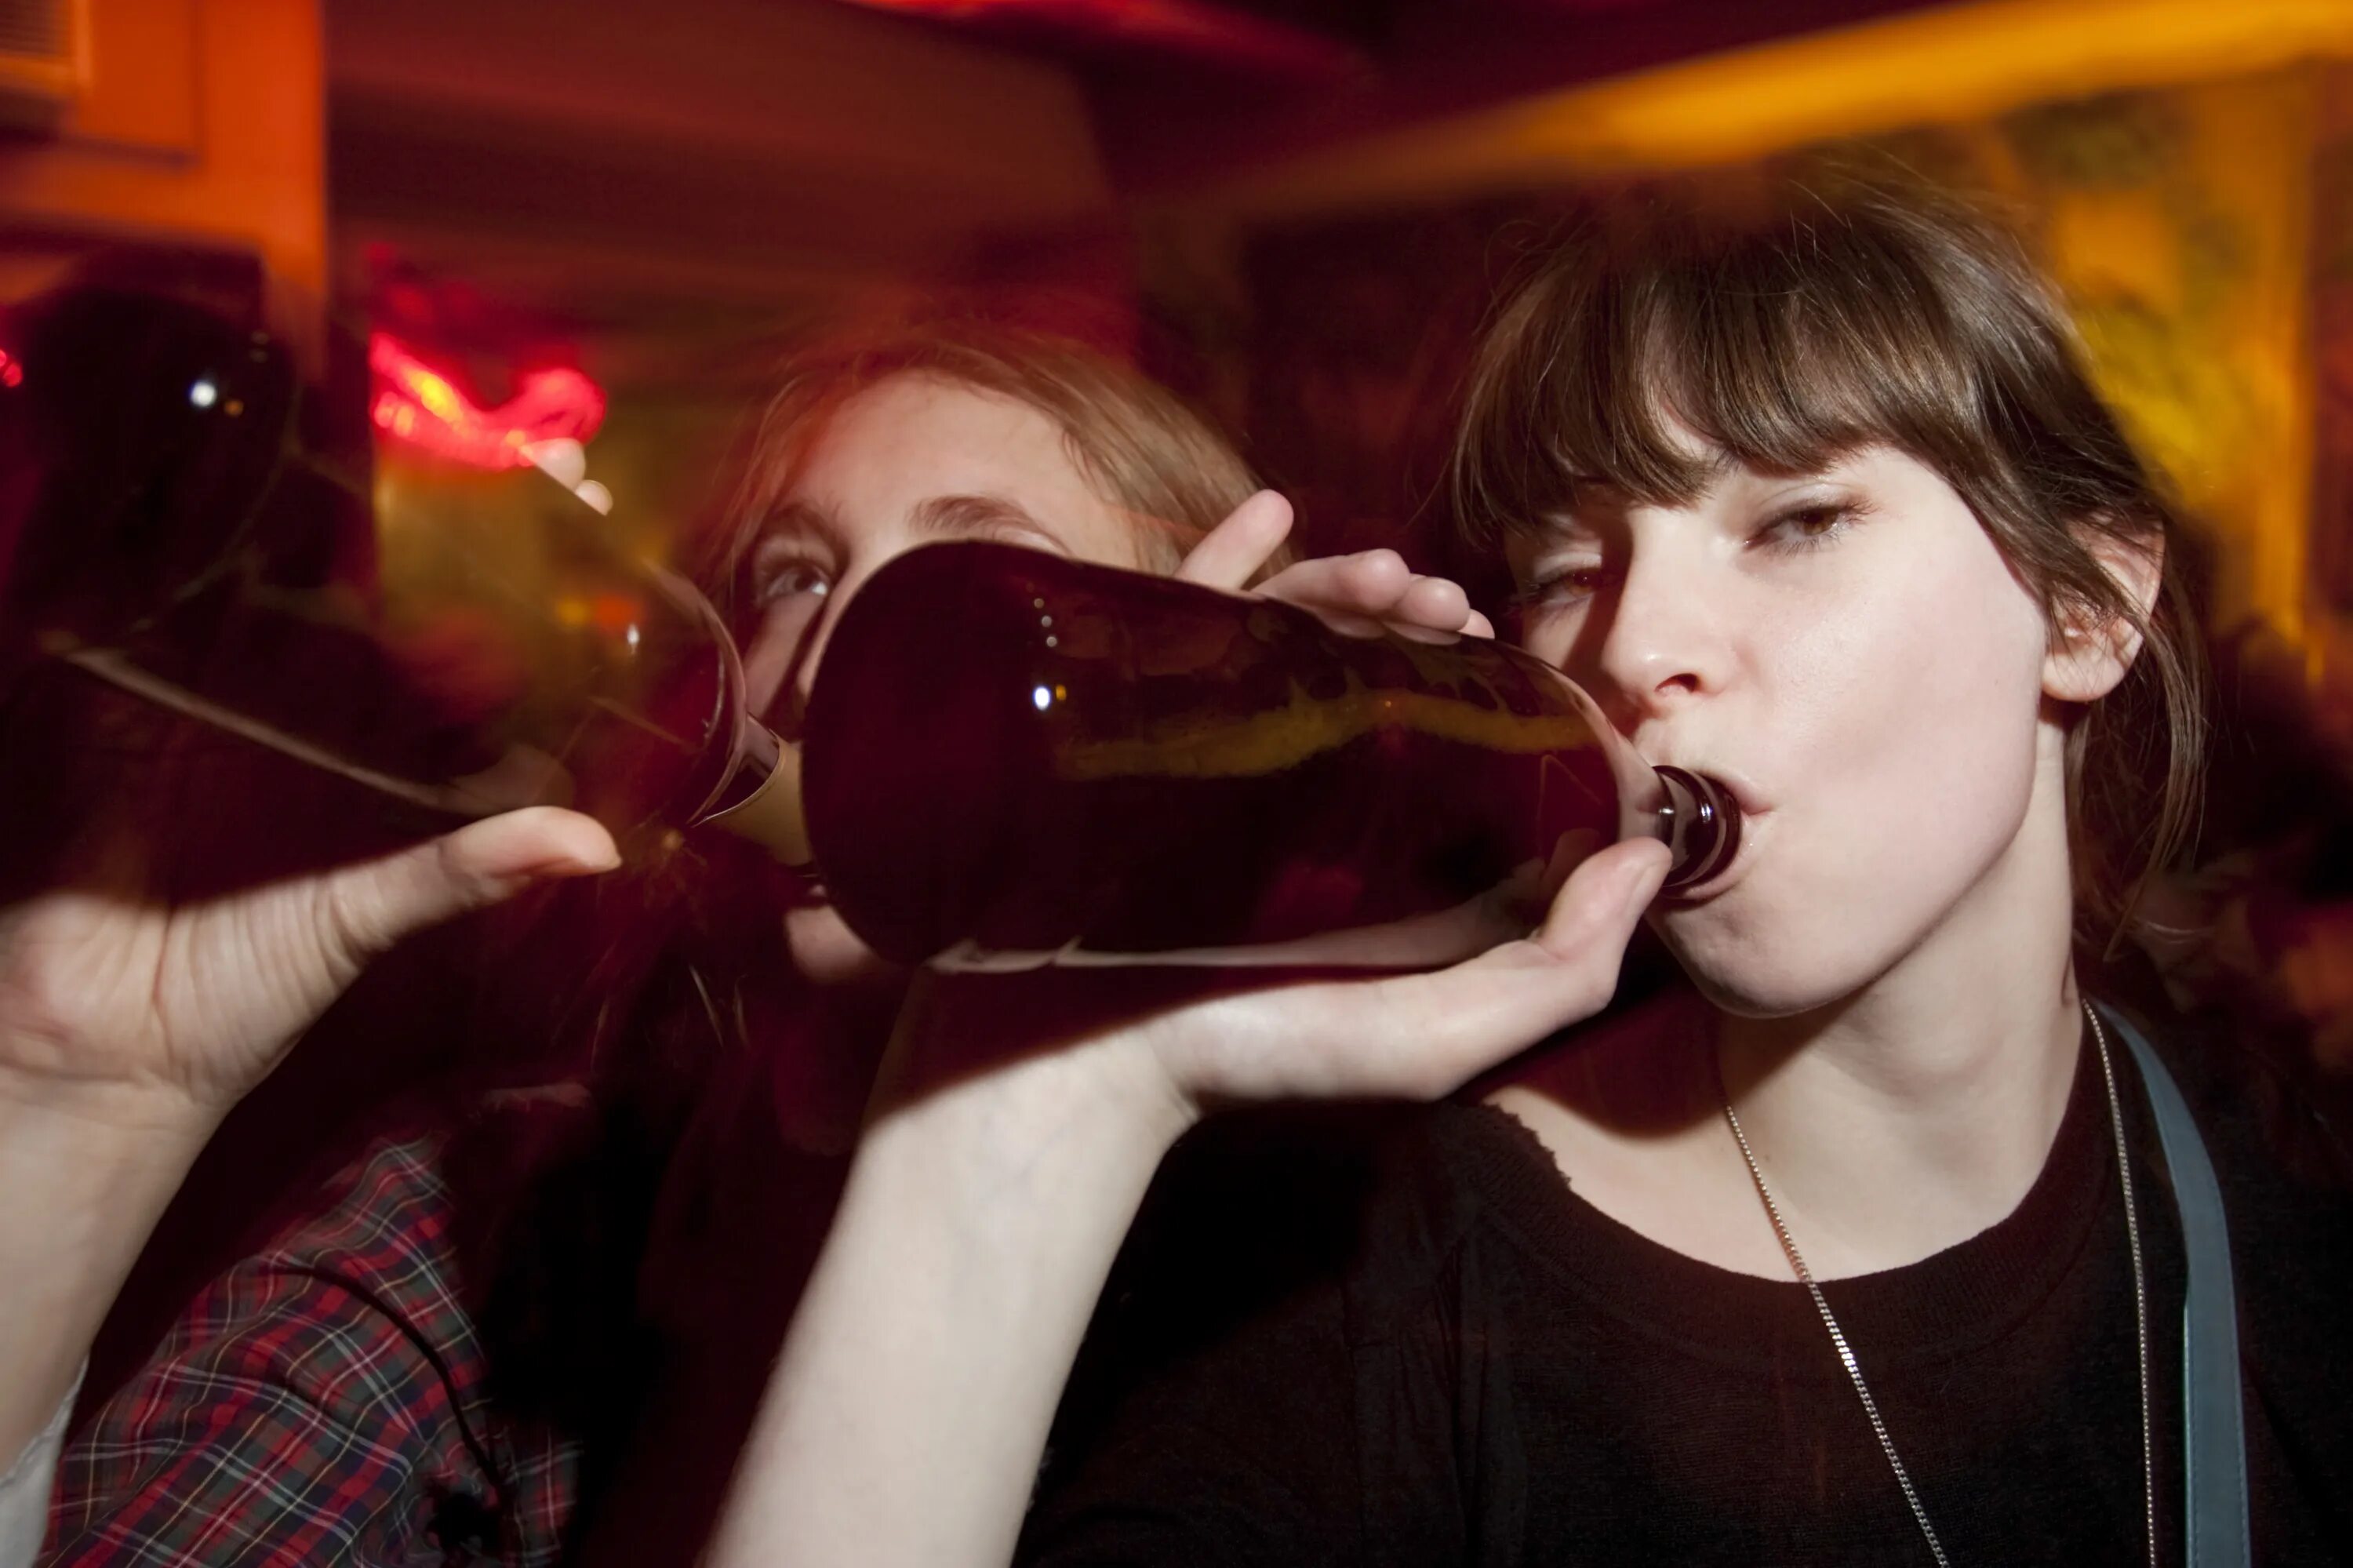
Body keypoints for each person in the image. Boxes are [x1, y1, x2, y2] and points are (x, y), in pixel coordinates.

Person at [708, 179, 2353, 1566]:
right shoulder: (1375, 1310)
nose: (1635, 644)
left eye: (1792, 520)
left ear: (2084, 610)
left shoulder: (2276, 1160)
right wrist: (1037, 1096)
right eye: (1571, 564)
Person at [0, 317, 1481, 1566]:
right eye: (793, 574)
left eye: (972, 585)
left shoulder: (1345, 1309)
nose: (837, 662)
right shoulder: (487, 1211)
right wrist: (79, 1096)